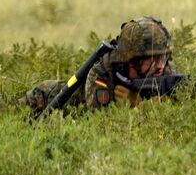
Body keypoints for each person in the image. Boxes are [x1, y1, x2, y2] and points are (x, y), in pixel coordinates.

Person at [24, 16, 175, 113]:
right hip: (43, 99)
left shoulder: (164, 73)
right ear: (133, 59)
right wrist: (136, 106)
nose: (160, 65)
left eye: (163, 57)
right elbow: (100, 124)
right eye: (151, 59)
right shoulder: (103, 72)